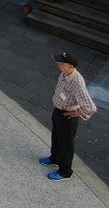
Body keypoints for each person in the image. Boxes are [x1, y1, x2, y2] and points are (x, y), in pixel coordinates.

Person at [40, 51, 97, 181]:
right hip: (58, 111)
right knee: (56, 137)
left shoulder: (77, 83)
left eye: (62, 63)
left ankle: (65, 171)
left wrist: (78, 113)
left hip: (67, 116)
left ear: (71, 66)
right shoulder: (64, 74)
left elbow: (90, 107)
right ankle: (54, 157)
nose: (59, 64)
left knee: (66, 144)